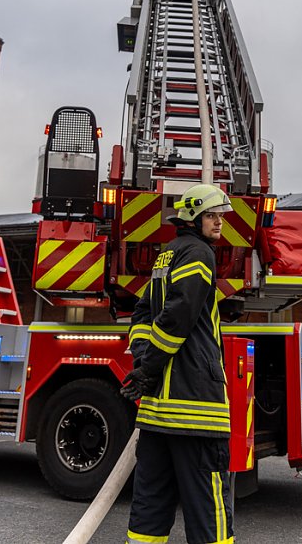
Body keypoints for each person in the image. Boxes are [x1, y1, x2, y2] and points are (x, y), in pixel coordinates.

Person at [121, 183, 234, 544]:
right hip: (196, 409)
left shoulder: (166, 255)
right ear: (193, 218)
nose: (219, 222)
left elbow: (142, 313)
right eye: (211, 216)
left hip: (157, 413)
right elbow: (179, 315)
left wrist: (143, 360)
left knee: (150, 507)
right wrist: (149, 366)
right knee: (208, 509)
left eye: (219, 216)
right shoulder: (199, 253)